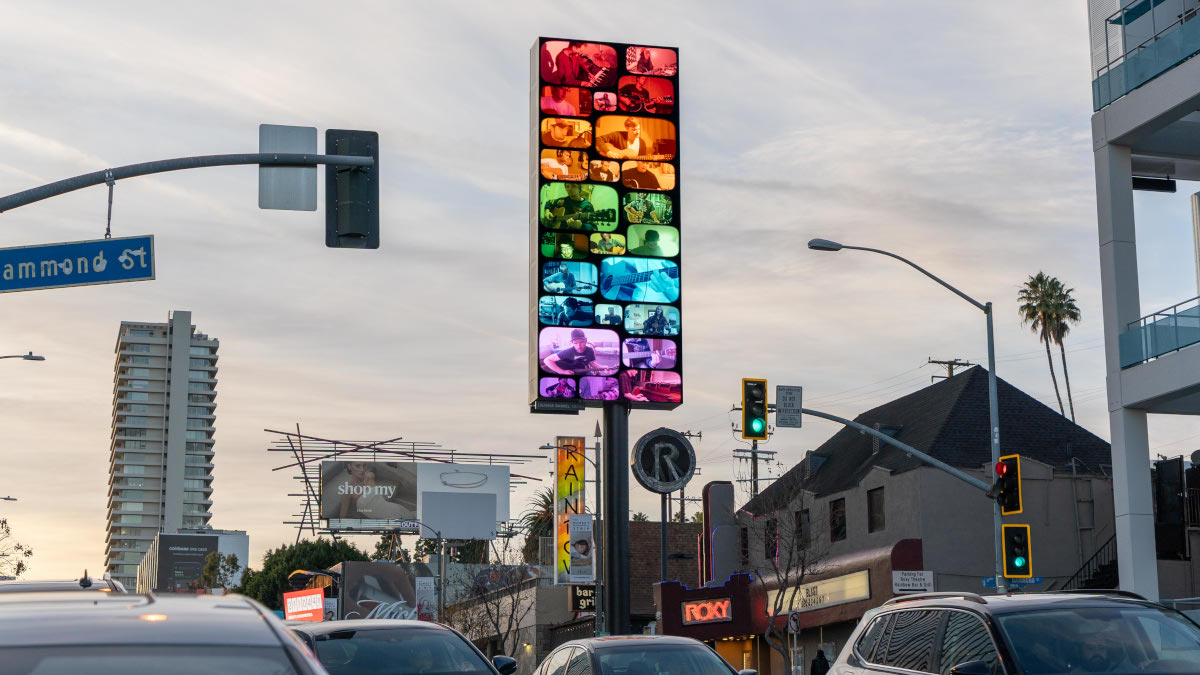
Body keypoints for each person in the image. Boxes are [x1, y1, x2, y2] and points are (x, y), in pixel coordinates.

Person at [544, 329, 613, 375]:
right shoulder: (568, 352)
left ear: (585, 341)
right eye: (575, 343)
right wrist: (562, 371)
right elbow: (547, 360)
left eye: (581, 342)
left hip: (584, 370)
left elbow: (593, 364)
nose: (579, 346)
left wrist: (604, 367)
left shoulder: (590, 350)